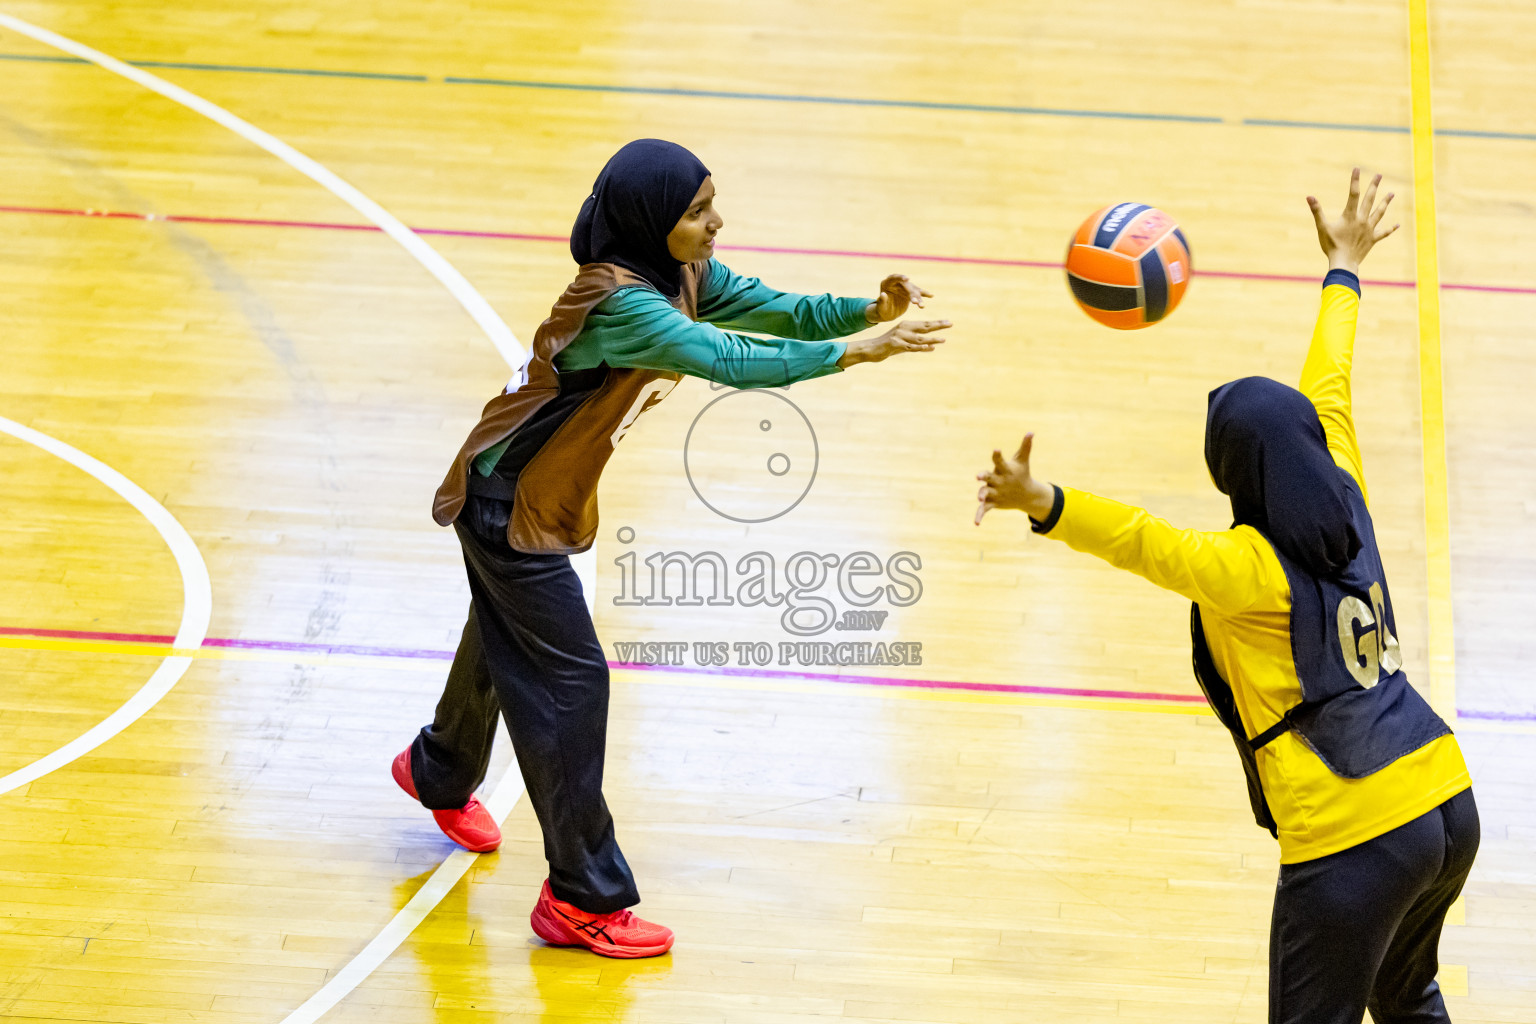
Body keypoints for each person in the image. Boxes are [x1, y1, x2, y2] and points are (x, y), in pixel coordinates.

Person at [393, 138, 950, 959]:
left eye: (711, 202)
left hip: (536, 493)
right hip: (504, 501)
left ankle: (438, 770)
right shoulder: (620, 303)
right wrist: (853, 354)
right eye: (697, 210)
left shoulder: (682, 274)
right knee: (570, 680)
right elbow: (725, 357)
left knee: (510, 636)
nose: (715, 221)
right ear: (651, 220)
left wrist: (863, 312)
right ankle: (580, 897)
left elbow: (772, 308)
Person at [974, 169, 1476, 1024]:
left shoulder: (1250, 571)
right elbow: (1330, 387)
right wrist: (1344, 269)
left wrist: (1045, 502)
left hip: (1355, 834)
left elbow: (1144, 540)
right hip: (1444, 797)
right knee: (1406, 999)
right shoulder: (1345, 490)